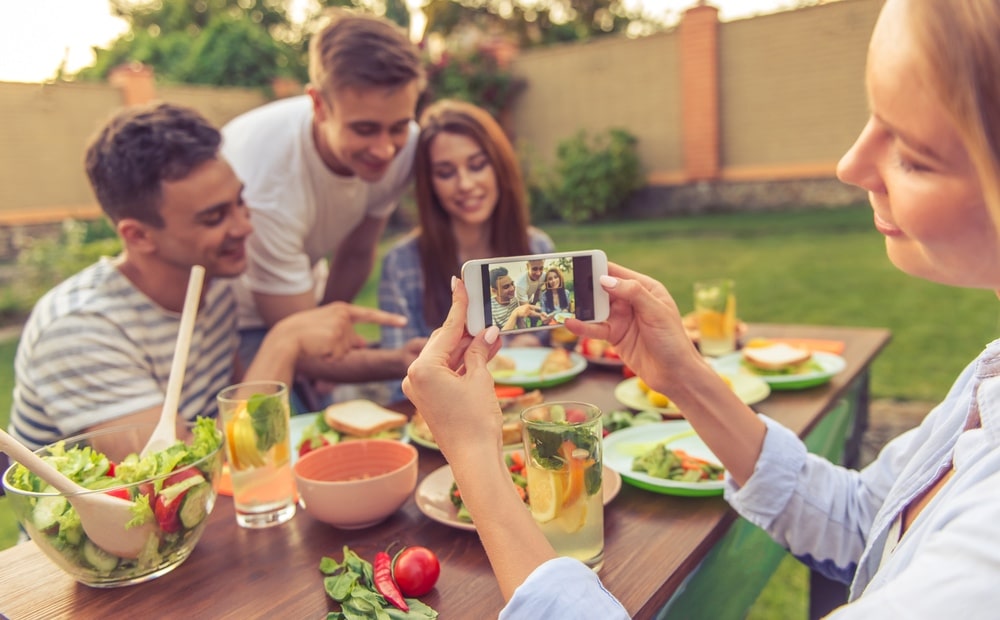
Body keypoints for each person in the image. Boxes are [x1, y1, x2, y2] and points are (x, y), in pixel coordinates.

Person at [402, 0, 1000, 616]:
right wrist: (681, 373)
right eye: (873, 116)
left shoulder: (986, 557)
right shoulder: (992, 374)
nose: (849, 165)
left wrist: (473, 457)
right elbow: (859, 521)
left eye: (912, 152)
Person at [8, 102, 405, 451]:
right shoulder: (79, 332)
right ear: (138, 235)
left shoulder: (211, 284)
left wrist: (400, 359)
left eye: (239, 202)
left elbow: (239, 415)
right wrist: (283, 342)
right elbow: (170, 482)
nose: (244, 227)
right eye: (214, 217)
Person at [220, 10, 426, 392]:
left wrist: (331, 327)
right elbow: (297, 342)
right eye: (364, 129)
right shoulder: (266, 186)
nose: (384, 149)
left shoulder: (405, 145)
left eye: (397, 126)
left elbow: (358, 251)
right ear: (318, 105)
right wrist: (394, 360)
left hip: (301, 284)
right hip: (239, 317)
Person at [377, 99, 554, 351]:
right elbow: (401, 381)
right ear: (429, 183)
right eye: (446, 172)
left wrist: (536, 344)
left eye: (477, 165)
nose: (465, 184)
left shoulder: (537, 247)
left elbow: (558, 348)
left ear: (499, 166)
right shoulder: (401, 265)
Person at [490, 266, 546, 331]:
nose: (512, 289)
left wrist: (541, 315)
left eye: (512, 284)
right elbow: (496, 336)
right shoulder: (490, 308)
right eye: (506, 287)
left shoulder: (514, 300)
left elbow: (520, 322)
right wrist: (515, 313)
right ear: (494, 291)